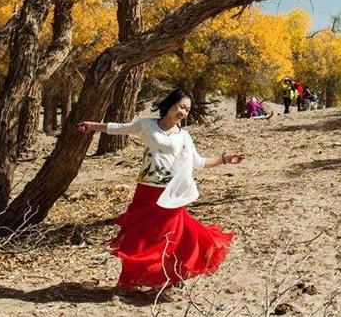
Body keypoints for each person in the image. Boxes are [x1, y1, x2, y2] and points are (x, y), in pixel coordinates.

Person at [76, 89, 245, 296]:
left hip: (169, 194)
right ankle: (128, 281)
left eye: (187, 110)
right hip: (146, 190)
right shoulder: (147, 125)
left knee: (172, 236)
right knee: (138, 236)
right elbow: (120, 128)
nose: (183, 112)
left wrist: (225, 159)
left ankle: (173, 275)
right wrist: (92, 126)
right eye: (181, 106)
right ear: (171, 104)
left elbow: (198, 163)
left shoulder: (184, 136)